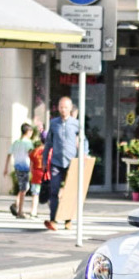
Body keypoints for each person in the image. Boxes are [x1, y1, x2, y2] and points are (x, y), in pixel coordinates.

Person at [43, 96, 84, 231]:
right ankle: (53, 219)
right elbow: (48, 143)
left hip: (71, 162)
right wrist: (44, 161)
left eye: (66, 107)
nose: (63, 110)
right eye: (61, 107)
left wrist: (84, 154)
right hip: (56, 162)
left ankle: (68, 220)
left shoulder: (76, 124)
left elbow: (84, 140)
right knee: (54, 191)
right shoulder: (54, 123)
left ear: (70, 108)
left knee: (70, 192)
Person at [5, 123, 36, 218]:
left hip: (17, 166)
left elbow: (9, 154)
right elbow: (32, 155)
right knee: (24, 189)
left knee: (24, 188)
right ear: (29, 132)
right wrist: (33, 166)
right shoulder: (28, 143)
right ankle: (20, 211)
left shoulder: (16, 142)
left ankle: (16, 204)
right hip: (25, 167)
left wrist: (6, 167)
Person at [26, 137, 45, 218]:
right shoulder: (49, 151)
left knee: (35, 194)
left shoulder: (34, 151)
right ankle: (54, 214)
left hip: (36, 175)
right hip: (45, 175)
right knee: (50, 195)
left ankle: (33, 212)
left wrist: (32, 172)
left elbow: (31, 165)